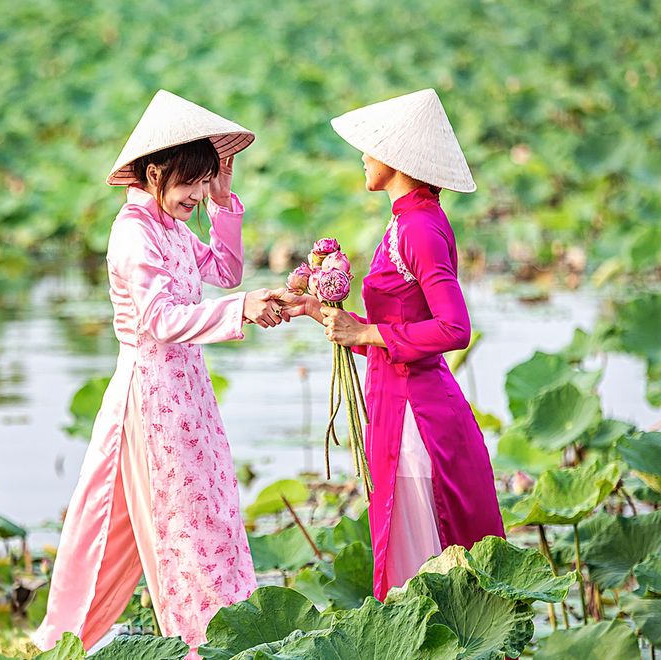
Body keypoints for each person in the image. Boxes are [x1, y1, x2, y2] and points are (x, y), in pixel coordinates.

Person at [33, 90, 280, 656]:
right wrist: (241, 307)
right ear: (153, 171)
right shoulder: (133, 232)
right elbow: (160, 320)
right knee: (182, 524)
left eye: (202, 179)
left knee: (214, 507)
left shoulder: (169, 225)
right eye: (189, 182)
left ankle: (227, 631)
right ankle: (198, 643)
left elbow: (224, 268)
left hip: (188, 392)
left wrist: (222, 201)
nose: (195, 193)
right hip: (150, 397)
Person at [278, 88, 504, 600]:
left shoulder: (419, 227)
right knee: (409, 576)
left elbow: (454, 329)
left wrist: (366, 331)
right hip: (395, 406)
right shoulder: (404, 218)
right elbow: (397, 329)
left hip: (418, 422)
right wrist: (322, 312)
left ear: (397, 158)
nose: (363, 156)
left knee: (427, 578)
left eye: (371, 146)